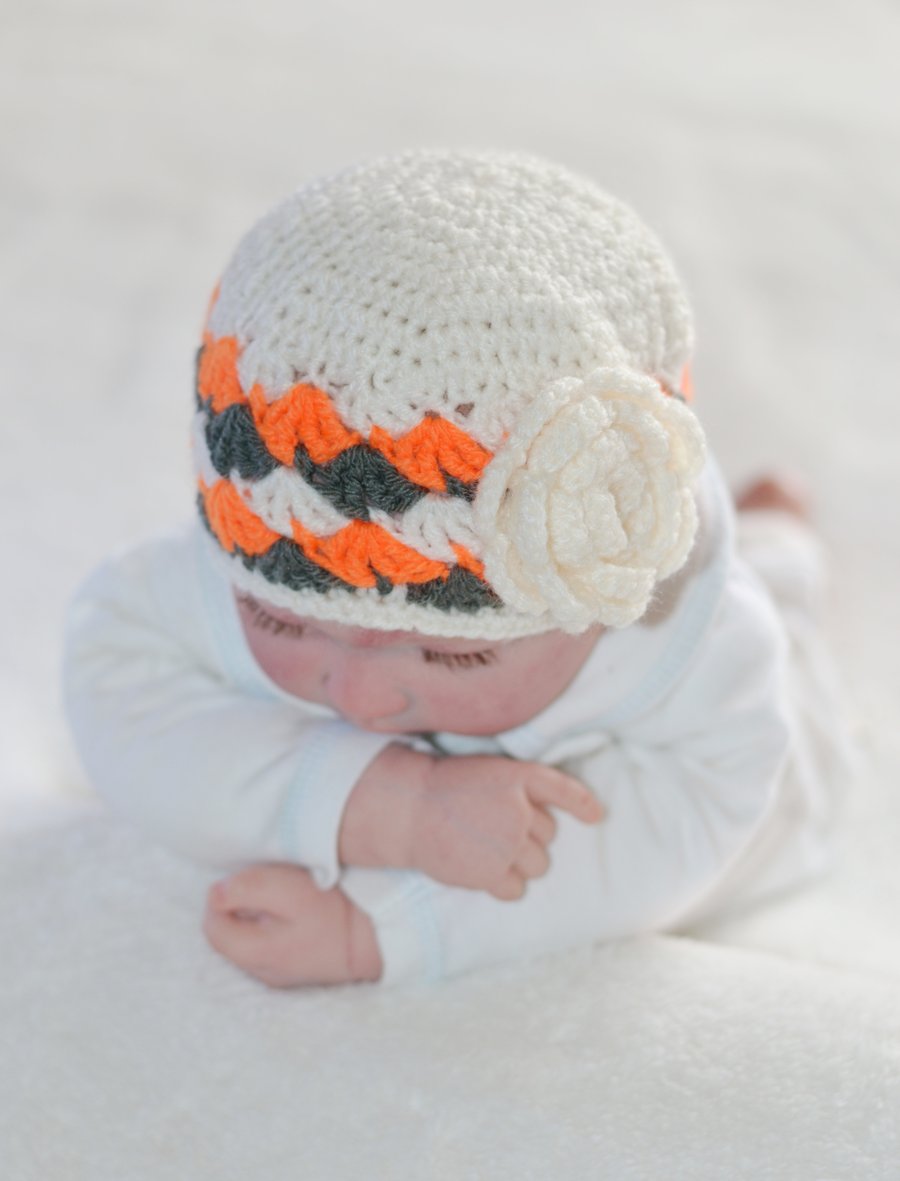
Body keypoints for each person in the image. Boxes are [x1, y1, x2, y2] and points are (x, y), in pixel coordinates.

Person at [62, 149, 854, 988]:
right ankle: (769, 529)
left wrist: (385, 924)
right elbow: (112, 671)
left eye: (454, 654)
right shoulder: (275, 528)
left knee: (783, 627)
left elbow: (694, 810)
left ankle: (781, 541)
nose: (361, 700)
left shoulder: (687, 643)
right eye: (279, 621)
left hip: (759, 787)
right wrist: (374, 804)